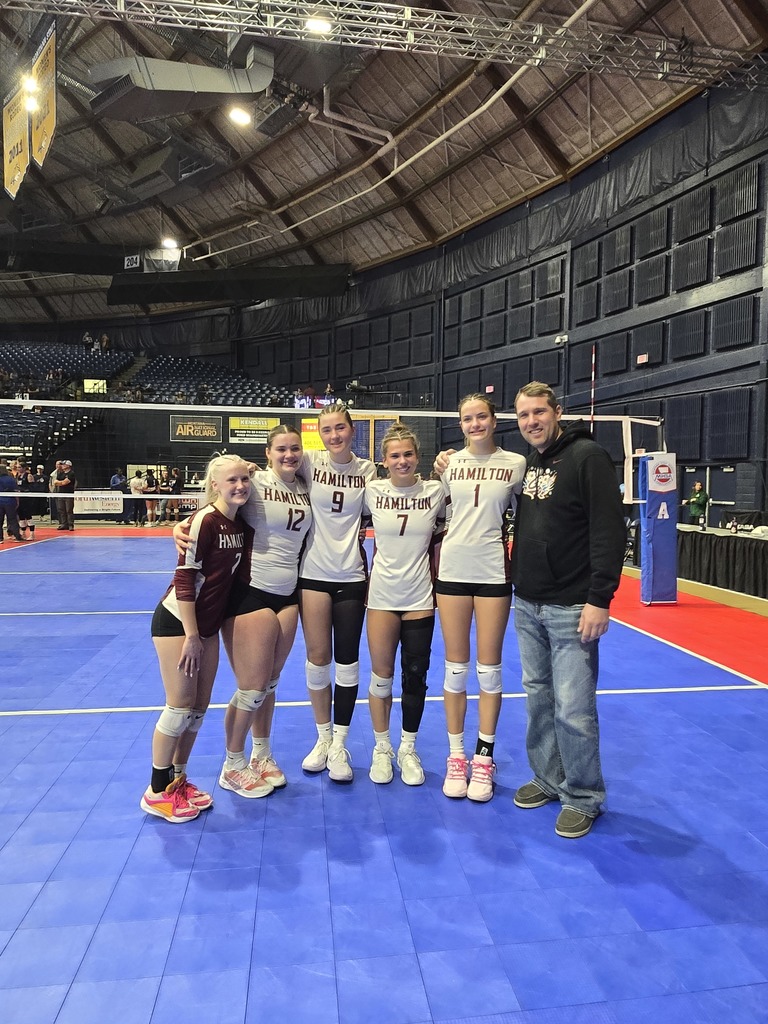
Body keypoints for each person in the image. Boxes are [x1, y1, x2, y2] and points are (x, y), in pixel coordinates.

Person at [510, 381, 626, 838]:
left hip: (572, 605)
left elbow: (608, 531)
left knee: (573, 708)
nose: (532, 422)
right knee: (539, 699)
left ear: (557, 413)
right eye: (523, 415)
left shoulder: (587, 457)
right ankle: (549, 777)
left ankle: (582, 794)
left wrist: (600, 598)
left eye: (539, 412)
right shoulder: (534, 461)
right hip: (528, 602)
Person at [140, 454, 253, 823]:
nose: (239, 486)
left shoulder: (240, 522)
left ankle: (177, 780)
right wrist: (192, 636)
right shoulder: (205, 520)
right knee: (179, 705)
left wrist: (251, 469)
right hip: (178, 622)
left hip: (206, 627)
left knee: (199, 708)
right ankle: (156, 791)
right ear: (214, 484)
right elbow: (185, 579)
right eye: (231, 480)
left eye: (243, 480)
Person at [433, 394, 526, 802]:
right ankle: (457, 756)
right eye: (467, 419)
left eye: (481, 417)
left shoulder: (515, 464)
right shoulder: (448, 465)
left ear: (494, 420)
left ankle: (483, 759)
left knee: (490, 671)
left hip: (492, 575)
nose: (475, 424)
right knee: (455, 670)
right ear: (460, 424)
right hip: (452, 572)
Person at [219, 426, 313, 797]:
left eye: (294, 449)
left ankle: (261, 754)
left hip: (287, 595)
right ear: (268, 452)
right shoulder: (254, 483)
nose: (289, 455)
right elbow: (219, 505)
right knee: (251, 687)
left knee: (269, 684)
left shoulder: (305, 486)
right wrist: (186, 525)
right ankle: (233, 763)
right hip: (251, 593)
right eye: (281, 449)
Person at [297, 403, 376, 783]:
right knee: (317, 659)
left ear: (352, 429)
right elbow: (270, 477)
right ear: (320, 433)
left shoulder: (367, 470)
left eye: (340, 428)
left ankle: (341, 743)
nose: (334, 436)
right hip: (313, 575)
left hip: (351, 575)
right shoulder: (309, 462)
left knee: (347, 661)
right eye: (327, 429)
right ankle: (322, 738)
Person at [363, 424, 446, 786]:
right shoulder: (372, 491)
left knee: (415, 678)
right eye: (394, 456)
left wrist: (451, 462)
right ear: (383, 461)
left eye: (408, 454)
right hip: (381, 597)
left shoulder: (435, 492)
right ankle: (382, 748)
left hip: (419, 597)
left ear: (418, 457)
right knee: (381, 679)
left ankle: (408, 748)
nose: (402, 461)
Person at [0, 463, 22, 542]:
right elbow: (16, 491)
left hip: (0, 502)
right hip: (10, 502)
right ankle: (17, 537)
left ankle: (0, 538)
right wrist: (17, 501)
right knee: (13, 520)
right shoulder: (11, 479)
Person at [16, 461, 37, 540]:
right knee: (21, 516)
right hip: (19, 498)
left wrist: (23, 491)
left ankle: (32, 534)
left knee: (28, 516)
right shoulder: (18, 476)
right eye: (17, 467)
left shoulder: (29, 475)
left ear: (24, 468)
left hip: (27, 499)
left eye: (19, 467)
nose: (18, 469)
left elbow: (32, 488)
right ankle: (23, 533)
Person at [54, 459, 76, 531]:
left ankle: (70, 524)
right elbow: (55, 482)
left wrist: (60, 482)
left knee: (69, 510)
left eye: (64, 464)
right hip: (61, 493)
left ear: (68, 466)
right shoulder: (61, 473)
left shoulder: (71, 473)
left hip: (68, 494)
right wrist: (61, 482)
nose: (62, 466)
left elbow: (64, 483)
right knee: (61, 509)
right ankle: (64, 524)